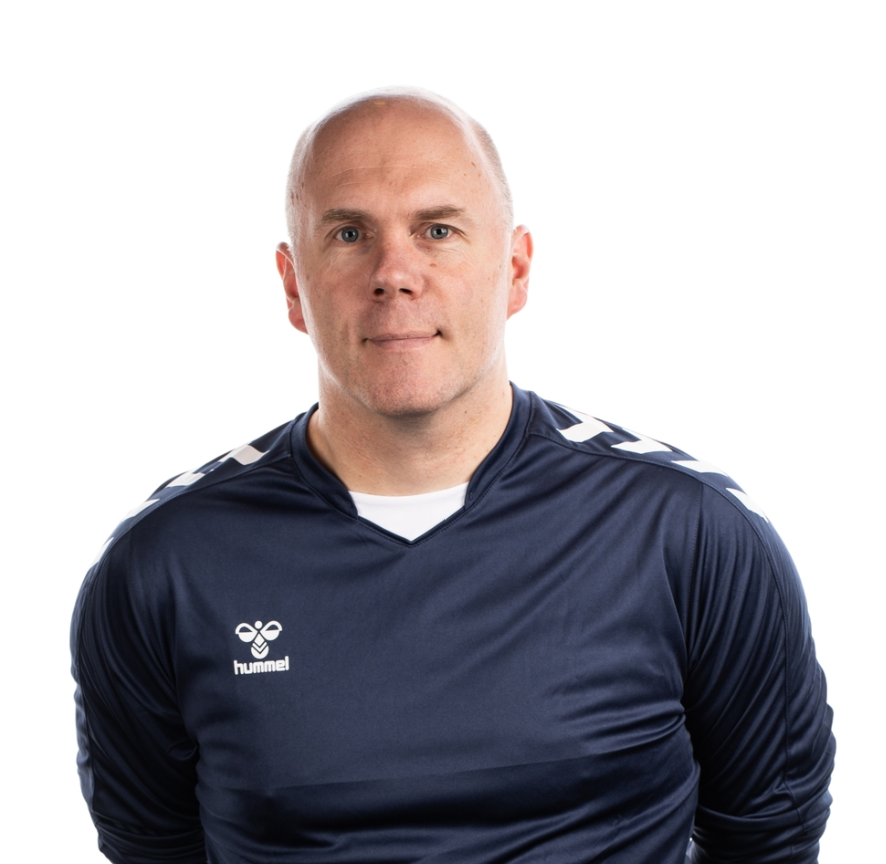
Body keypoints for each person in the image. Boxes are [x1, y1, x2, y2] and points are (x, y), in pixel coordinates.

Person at [71, 88, 835, 864]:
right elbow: (152, 850)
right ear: (293, 284)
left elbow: (767, 843)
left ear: (516, 268)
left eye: (437, 231)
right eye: (348, 234)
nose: (394, 274)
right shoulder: (166, 566)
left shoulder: (689, 534)